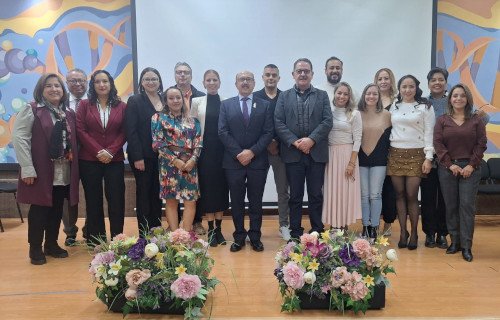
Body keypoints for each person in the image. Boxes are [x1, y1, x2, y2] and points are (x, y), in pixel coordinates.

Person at [12, 73, 79, 265]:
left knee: (57, 208)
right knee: (39, 210)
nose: (54, 89)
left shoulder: (68, 113)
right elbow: (20, 138)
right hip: (40, 170)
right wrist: (27, 168)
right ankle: (35, 248)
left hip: (62, 170)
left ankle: (51, 244)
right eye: (48, 86)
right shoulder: (31, 109)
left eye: (57, 85)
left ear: (63, 90)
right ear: (41, 90)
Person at [421, 67, 490, 249]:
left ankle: (457, 241)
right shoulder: (429, 108)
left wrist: (471, 165)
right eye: (433, 80)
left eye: (441, 79)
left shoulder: (467, 113)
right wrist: (447, 163)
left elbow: (481, 139)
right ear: (428, 84)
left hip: (465, 165)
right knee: (439, 203)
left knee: (458, 205)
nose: (437, 82)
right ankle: (442, 237)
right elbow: (437, 141)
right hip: (438, 163)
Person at [274, 58, 333, 240]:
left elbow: (327, 121)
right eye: (299, 71)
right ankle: (295, 231)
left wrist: (311, 140)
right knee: (295, 196)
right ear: (293, 74)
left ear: (312, 74)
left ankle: (317, 228)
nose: (302, 74)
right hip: (293, 153)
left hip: (316, 153)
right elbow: (278, 122)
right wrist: (296, 142)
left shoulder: (322, 95)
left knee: (316, 194)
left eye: (306, 71)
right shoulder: (283, 96)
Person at [218, 71, 273, 252]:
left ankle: (255, 236)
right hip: (233, 163)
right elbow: (223, 132)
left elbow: (268, 133)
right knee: (237, 201)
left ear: (254, 83)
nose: (245, 82)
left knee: (256, 201)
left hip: (258, 161)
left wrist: (252, 152)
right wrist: (239, 153)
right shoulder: (226, 105)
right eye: (241, 79)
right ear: (236, 84)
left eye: (248, 79)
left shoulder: (265, 105)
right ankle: (239, 236)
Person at [434, 84, 487, 262]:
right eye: (455, 96)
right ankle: (454, 242)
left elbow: (481, 144)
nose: (458, 99)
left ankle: (466, 246)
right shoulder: (442, 120)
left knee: (466, 207)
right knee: (451, 207)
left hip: (470, 170)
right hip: (448, 169)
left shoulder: (476, 120)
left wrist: (471, 165)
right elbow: (438, 145)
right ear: (450, 99)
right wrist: (450, 165)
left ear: (467, 99)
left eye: (462, 96)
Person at [76, 70, 127, 245]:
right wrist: (98, 151)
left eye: (105, 81)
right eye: (97, 81)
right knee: (93, 199)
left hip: (115, 160)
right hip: (89, 160)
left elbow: (124, 132)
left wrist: (111, 151)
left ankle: (117, 238)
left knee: (116, 199)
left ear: (111, 83)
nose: (102, 84)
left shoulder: (121, 106)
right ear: (93, 85)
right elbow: (80, 130)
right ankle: (95, 239)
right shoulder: (84, 105)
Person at [388, 75, 435, 250]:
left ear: (416, 88)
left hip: (417, 154)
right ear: (399, 89)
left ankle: (414, 232)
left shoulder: (425, 107)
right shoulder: (394, 106)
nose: (407, 90)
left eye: (411, 86)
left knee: (411, 195)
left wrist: (428, 158)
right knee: (399, 195)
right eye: (404, 87)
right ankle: (402, 232)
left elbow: (429, 132)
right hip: (395, 153)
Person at [152, 86, 202, 232]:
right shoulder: (158, 118)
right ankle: (175, 236)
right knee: (171, 201)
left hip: (190, 165)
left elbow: (198, 142)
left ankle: (185, 236)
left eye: (178, 97)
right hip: (168, 165)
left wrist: (193, 159)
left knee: (190, 201)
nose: (175, 100)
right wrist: (175, 161)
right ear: (166, 101)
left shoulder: (193, 121)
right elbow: (158, 143)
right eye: (171, 98)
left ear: (183, 99)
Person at [190, 70, 229, 247]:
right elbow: (192, 128)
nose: (212, 82)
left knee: (221, 190)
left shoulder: (227, 102)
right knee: (208, 191)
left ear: (220, 82)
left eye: (215, 80)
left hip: (224, 152)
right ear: (204, 83)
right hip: (205, 153)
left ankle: (220, 230)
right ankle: (211, 229)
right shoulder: (196, 102)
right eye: (209, 80)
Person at [253, 64, 291, 241]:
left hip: (280, 150)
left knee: (283, 190)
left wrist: (276, 142)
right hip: (259, 151)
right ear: (262, 77)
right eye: (267, 75)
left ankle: (284, 225)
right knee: (256, 191)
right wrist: (266, 143)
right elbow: (251, 124)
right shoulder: (254, 97)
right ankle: (255, 229)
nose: (270, 78)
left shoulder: (285, 97)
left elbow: (288, 123)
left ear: (278, 78)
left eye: (274, 75)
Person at [125, 67, 164, 236]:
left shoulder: (164, 99)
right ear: (141, 82)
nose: (151, 82)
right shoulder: (135, 101)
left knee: (157, 194)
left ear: (159, 81)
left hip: (163, 157)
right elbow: (130, 131)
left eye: (154, 79)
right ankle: (144, 232)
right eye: (147, 79)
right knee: (144, 194)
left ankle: (156, 230)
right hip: (143, 157)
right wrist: (137, 156)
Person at [322, 82, 362, 230]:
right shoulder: (328, 112)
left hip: (347, 155)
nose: (342, 96)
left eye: (345, 94)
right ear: (334, 93)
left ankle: (344, 225)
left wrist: (351, 163)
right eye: (339, 93)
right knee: (332, 191)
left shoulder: (355, 113)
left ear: (349, 96)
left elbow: (358, 139)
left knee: (345, 192)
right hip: (331, 155)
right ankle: (333, 225)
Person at [173, 62, 206, 235]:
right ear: (175, 75)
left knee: (195, 187)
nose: (182, 75)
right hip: (174, 154)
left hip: (196, 149)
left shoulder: (201, 96)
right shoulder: (168, 95)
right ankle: (178, 222)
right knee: (175, 189)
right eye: (179, 72)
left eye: (186, 72)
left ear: (191, 76)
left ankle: (197, 221)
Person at [358, 83, 392, 239]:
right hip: (360, 159)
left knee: (375, 194)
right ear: (364, 95)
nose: (371, 96)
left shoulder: (386, 115)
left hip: (379, 159)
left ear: (379, 97)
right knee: (364, 195)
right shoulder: (356, 114)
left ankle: (374, 227)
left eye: (375, 94)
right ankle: (365, 226)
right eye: (368, 93)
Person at [62, 68, 87, 246]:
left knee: (93, 195)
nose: (77, 84)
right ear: (67, 83)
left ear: (87, 82)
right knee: (68, 196)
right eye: (73, 81)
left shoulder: (95, 101)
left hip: (90, 156)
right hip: (68, 157)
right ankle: (70, 231)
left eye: (81, 80)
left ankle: (90, 229)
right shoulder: (60, 103)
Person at [374, 68, 398, 236]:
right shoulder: (371, 99)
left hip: (393, 150)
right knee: (374, 190)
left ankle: (388, 223)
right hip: (374, 150)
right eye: (380, 78)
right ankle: (373, 223)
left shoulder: (398, 101)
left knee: (389, 190)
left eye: (386, 78)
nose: (383, 81)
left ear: (391, 81)